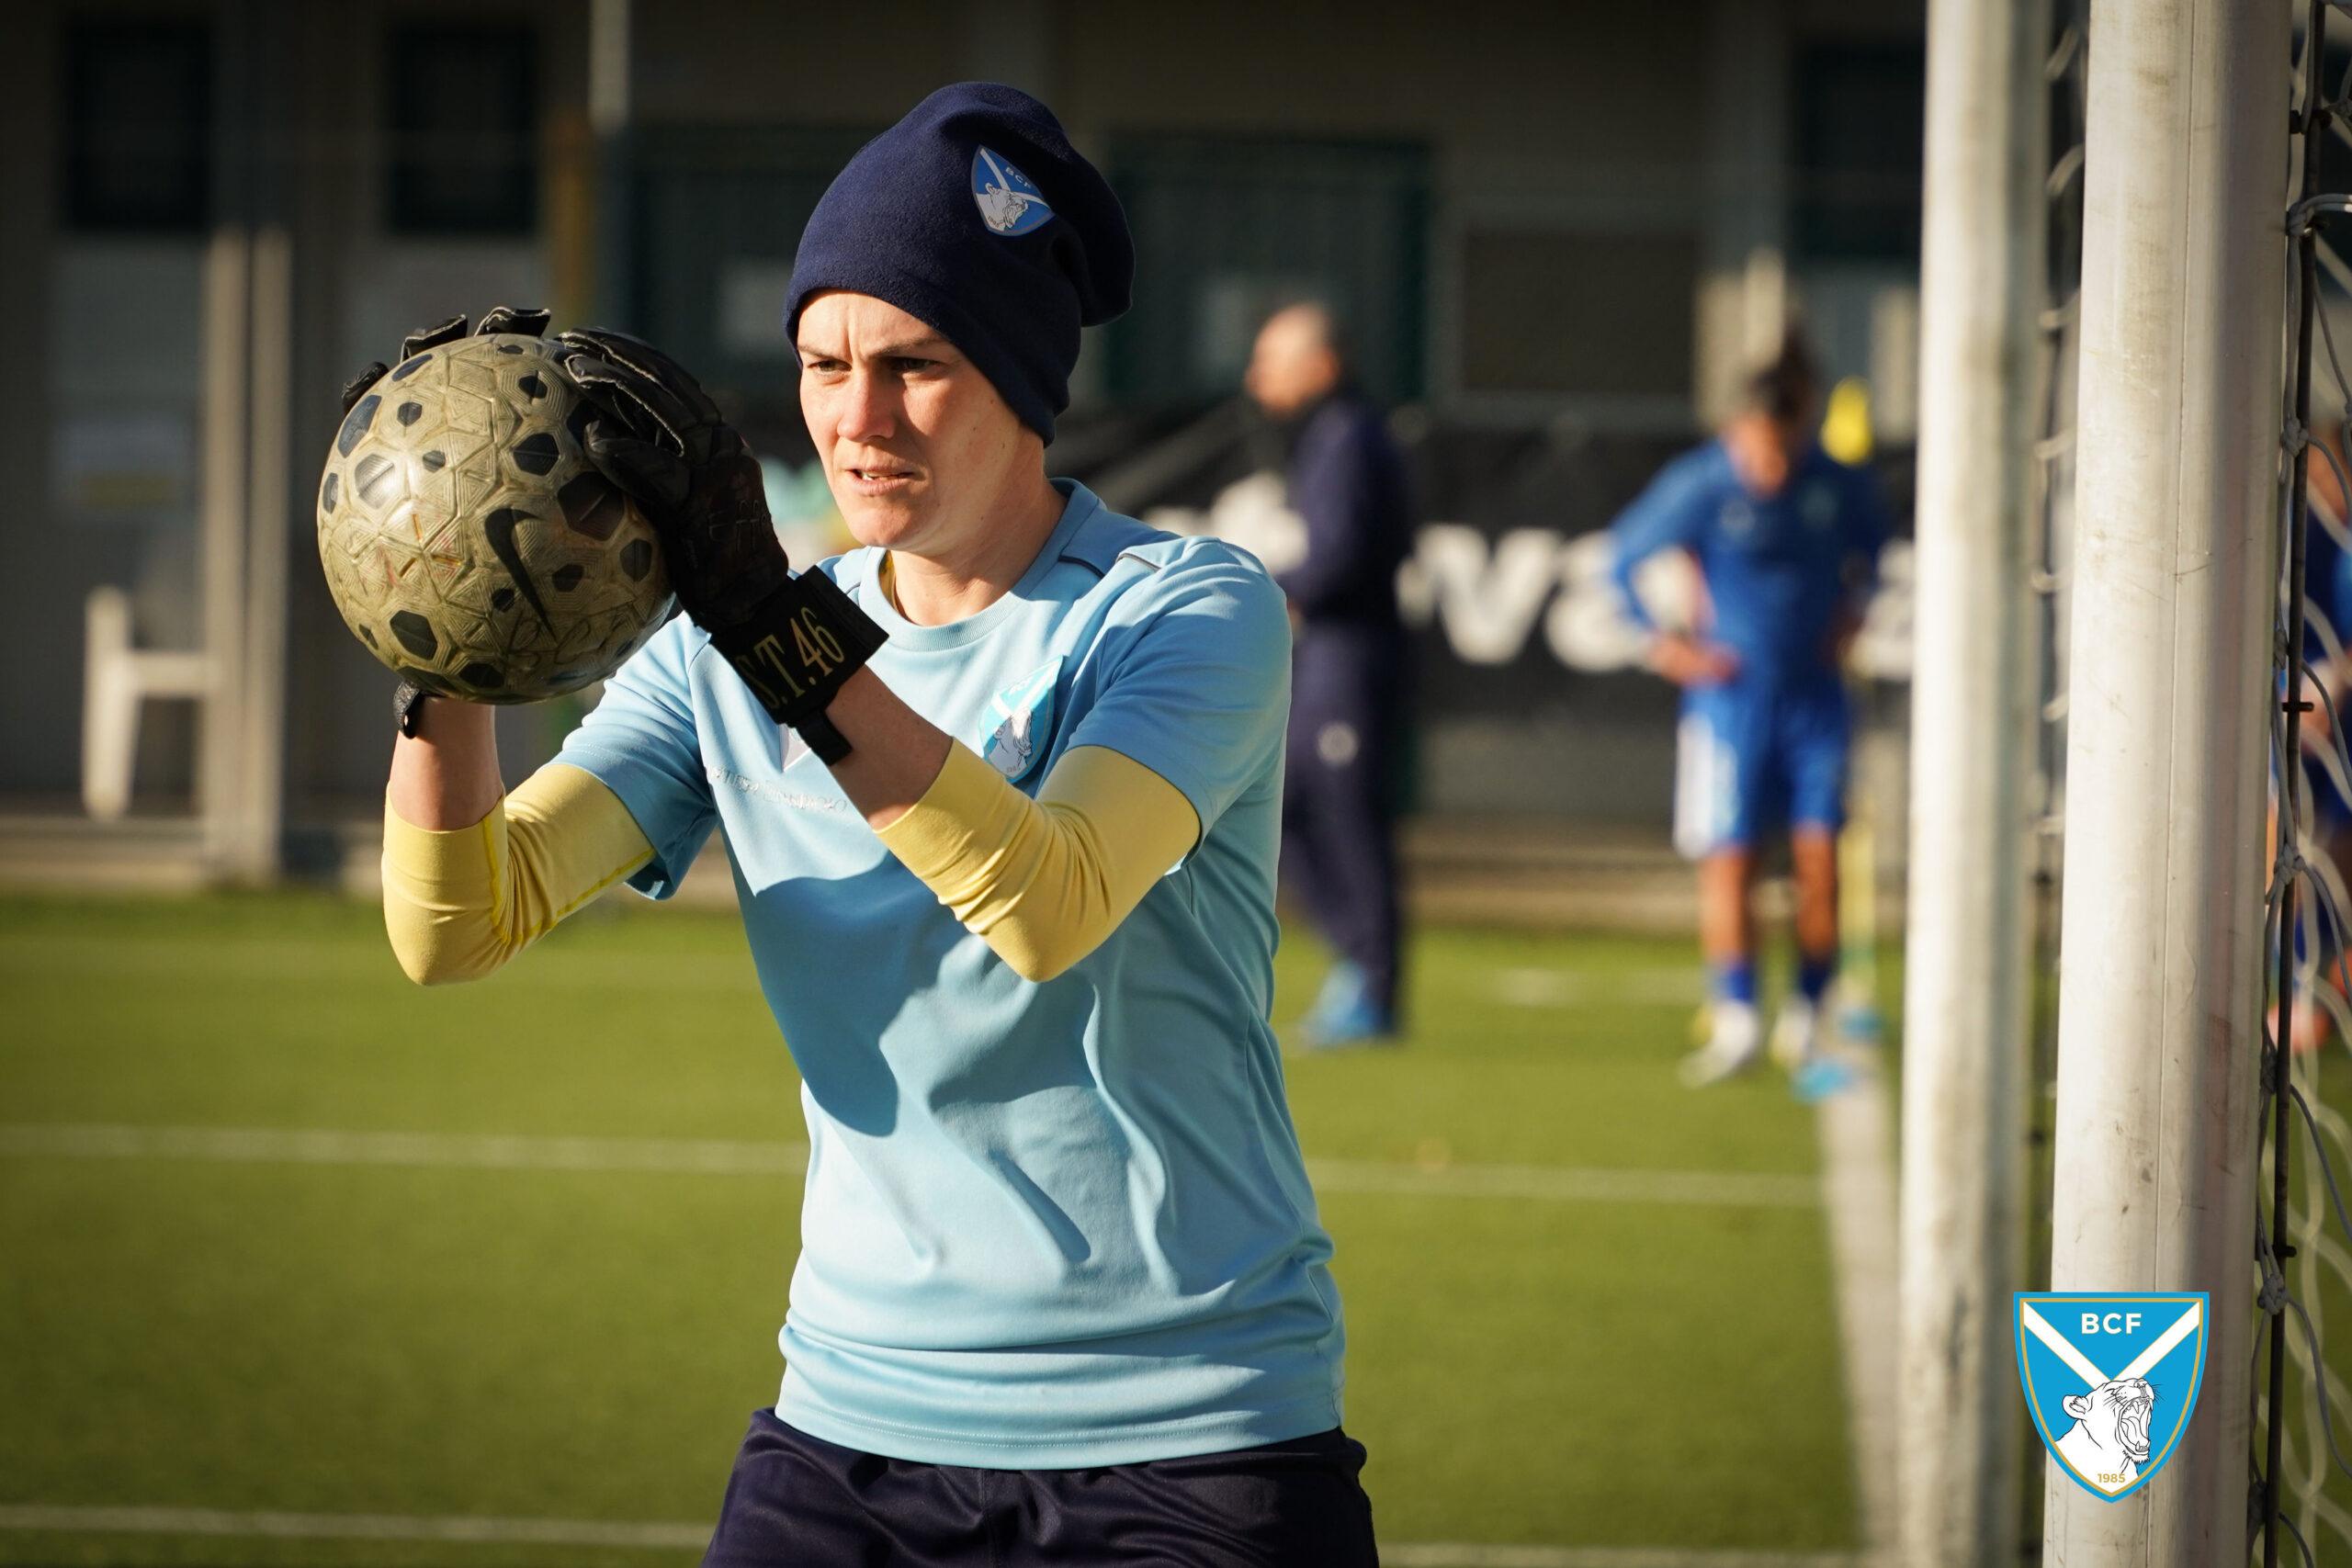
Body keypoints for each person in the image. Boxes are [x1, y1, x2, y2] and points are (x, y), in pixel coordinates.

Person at [362, 84, 1374, 1566]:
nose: (855, 413)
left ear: (1026, 381)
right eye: (824, 361)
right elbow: (457, 921)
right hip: (852, 1424)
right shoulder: (733, 649)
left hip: (1194, 1437)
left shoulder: (1188, 609)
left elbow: (1046, 899)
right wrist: (442, 634)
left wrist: (773, 620)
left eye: (916, 363)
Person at [1606, 341, 1887, 1093]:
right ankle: (1734, 1017)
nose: (1772, 465)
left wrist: (1854, 612)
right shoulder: (1700, 484)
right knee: (1728, 859)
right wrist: (1664, 645)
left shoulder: (1832, 482)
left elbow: (1877, 546)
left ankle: (1808, 1015)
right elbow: (1621, 556)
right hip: (1729, 704)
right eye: (1761, 447)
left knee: (1819, 857)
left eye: (1784, 447)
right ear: (1739, 429)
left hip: (1815, 703)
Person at [1244, 303, 1414, 1047]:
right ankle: (1354, 961)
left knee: (1346, 813)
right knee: (1296, 804)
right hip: (1326, 655)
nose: (1256, 378)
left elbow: (1342, 555)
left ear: (1321, 365)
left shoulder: (1346, 436)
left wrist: (1268, 591)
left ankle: (1373, 983)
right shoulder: (1327, 438)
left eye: (1272, 360)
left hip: (1351, 652)